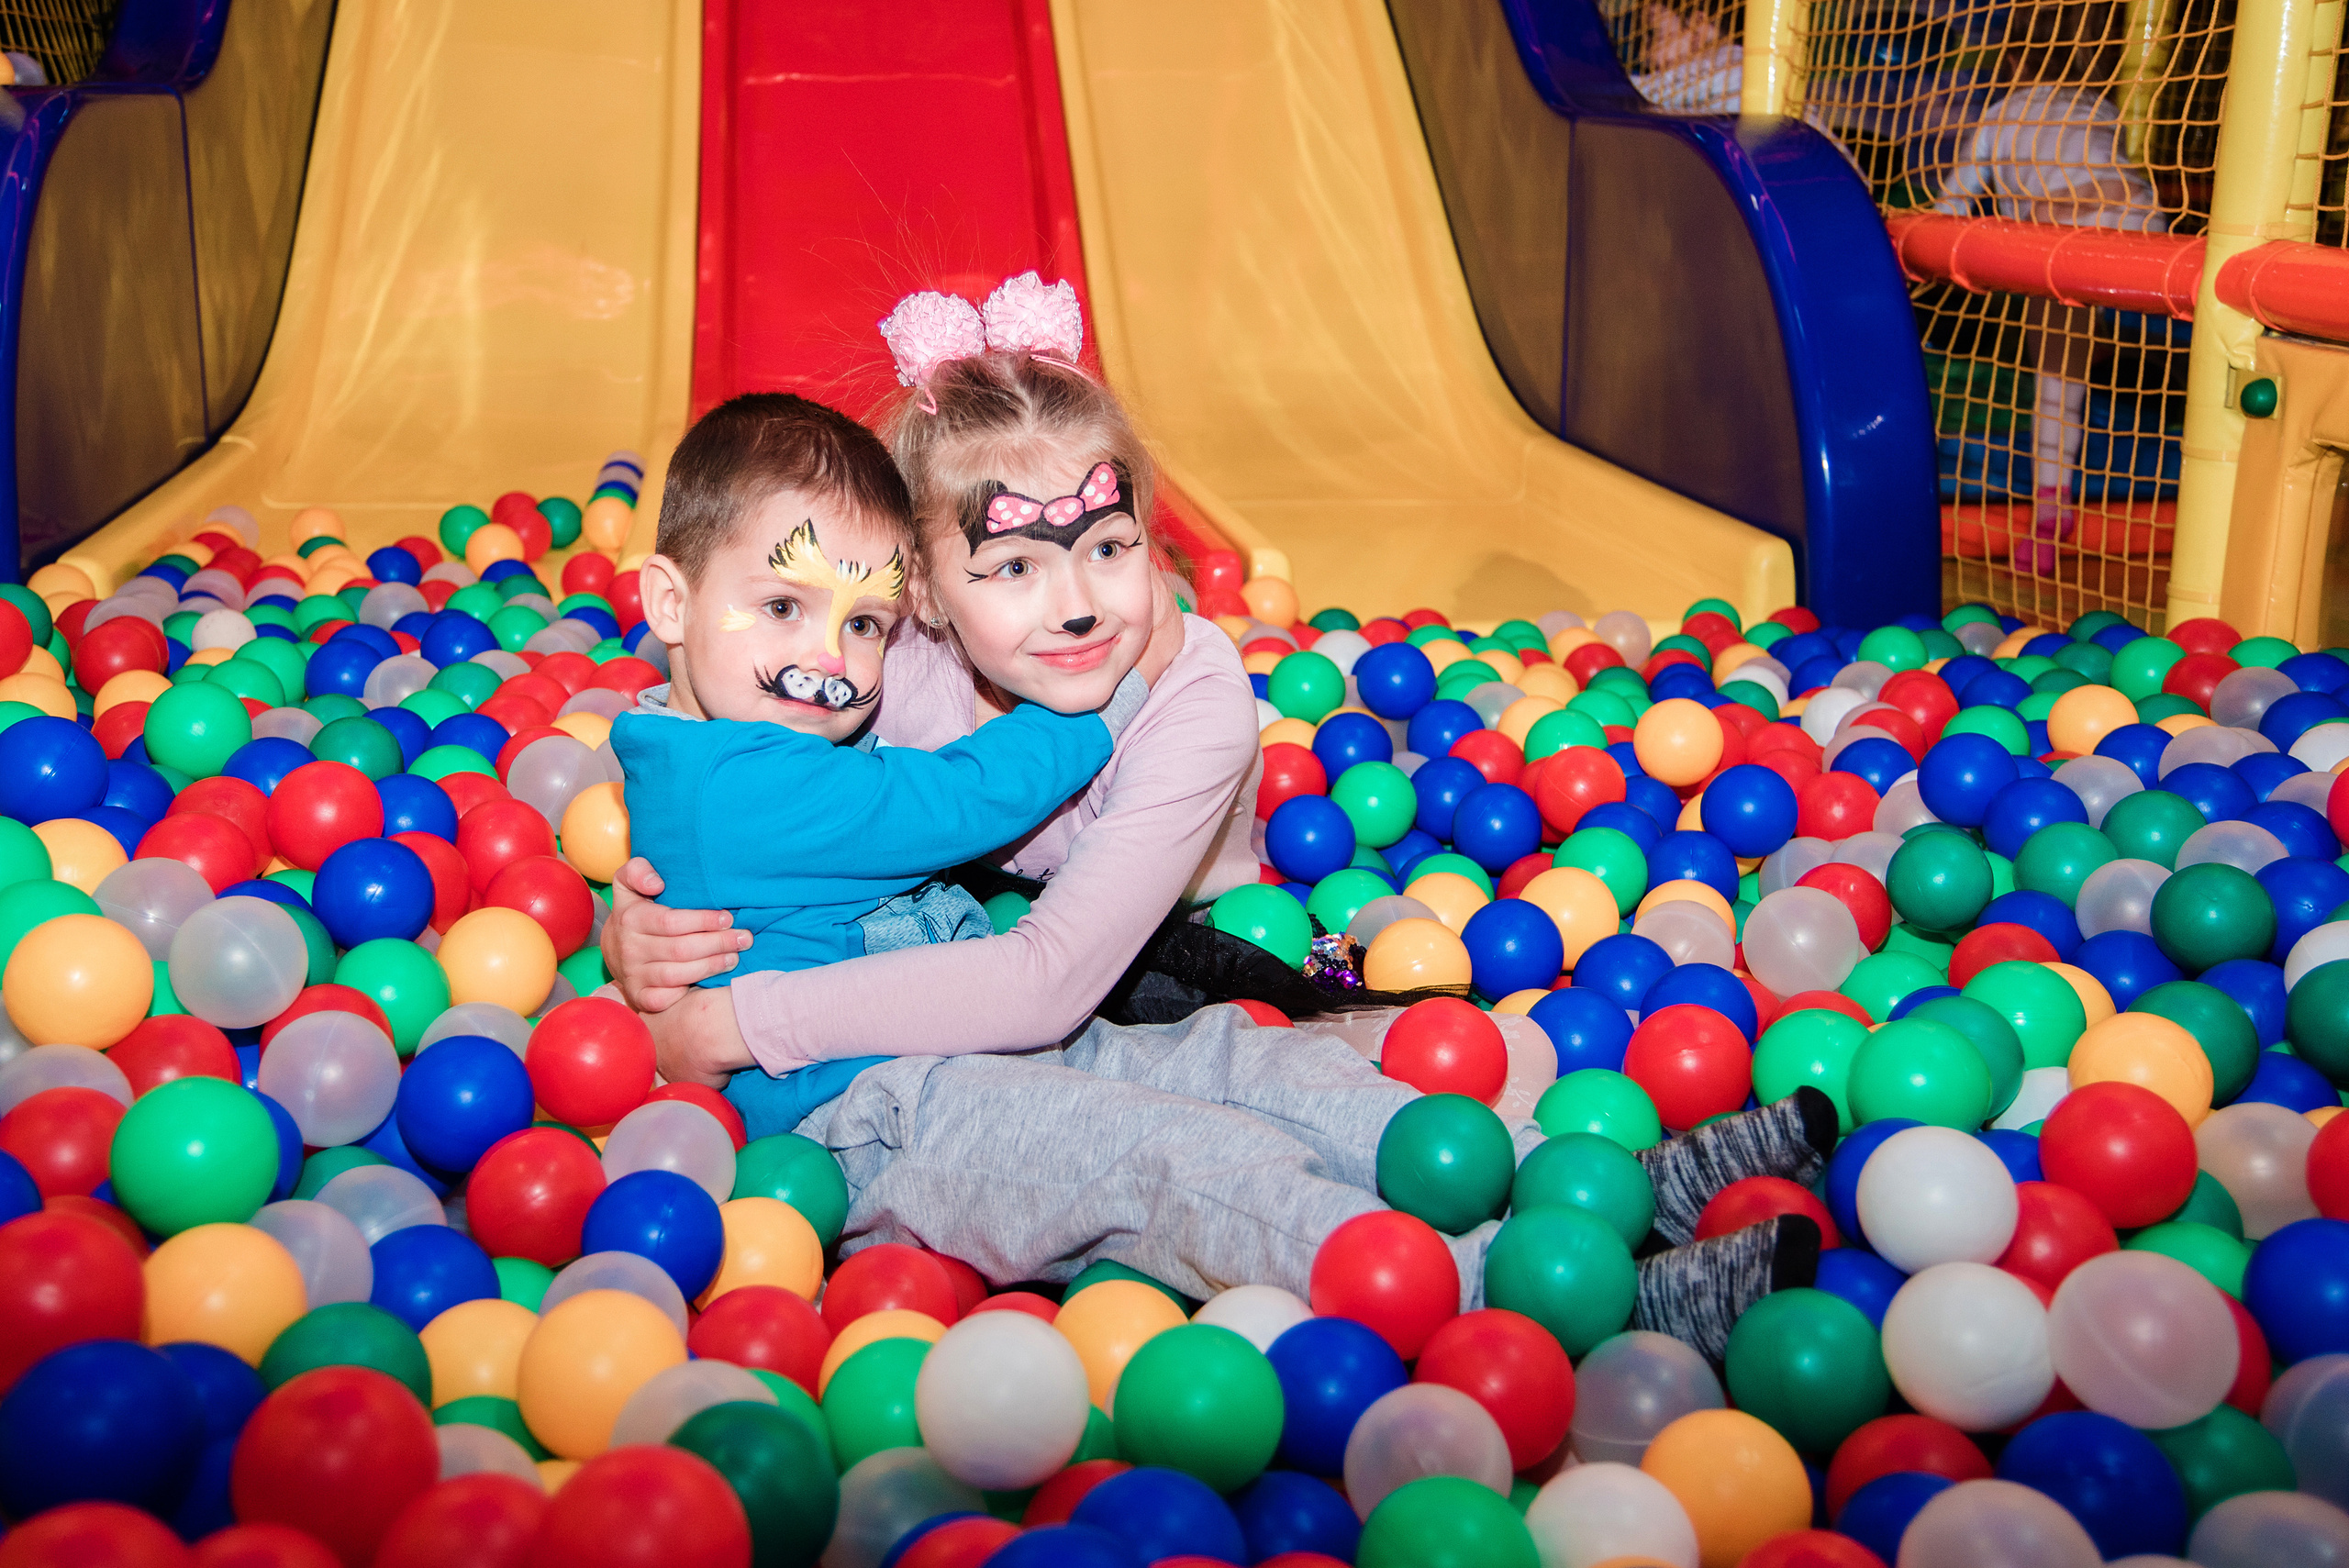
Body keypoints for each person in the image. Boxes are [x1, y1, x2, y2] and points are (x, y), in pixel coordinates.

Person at [603, 273, 1826, 1346]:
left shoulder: (1189, 695)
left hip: (1217, 945)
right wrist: (639, 938)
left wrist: (733, 1014)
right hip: (956, 1007)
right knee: (1188, 1149)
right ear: (926, 590)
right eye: (1012, 567)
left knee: (1369, 1026)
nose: (1076, 607)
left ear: (1154, 539)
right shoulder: (869, 662)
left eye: (1110, 549)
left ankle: (1608, 1179)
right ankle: (1536, 1298)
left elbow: (1047, 969)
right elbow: (724, 803)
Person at [607, 391, 1151, 1138]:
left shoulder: (703, 745)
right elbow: (957, 798)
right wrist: (1111, 701)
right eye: (781, 607)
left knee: (1211, 1066)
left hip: (942, 1053)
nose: (830, 655)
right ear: (671, 603)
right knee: (1141, 1154)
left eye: (864, 622)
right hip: (859, 1107)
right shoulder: (740, 783)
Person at [1931, 0, 2165, 575]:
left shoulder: (1999, 115)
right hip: (2143, 221)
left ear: (2011, 60)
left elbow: (1950, 210)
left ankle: (2049, 511)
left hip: (2064, 235)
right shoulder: (2099, 107)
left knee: (2058, 382)